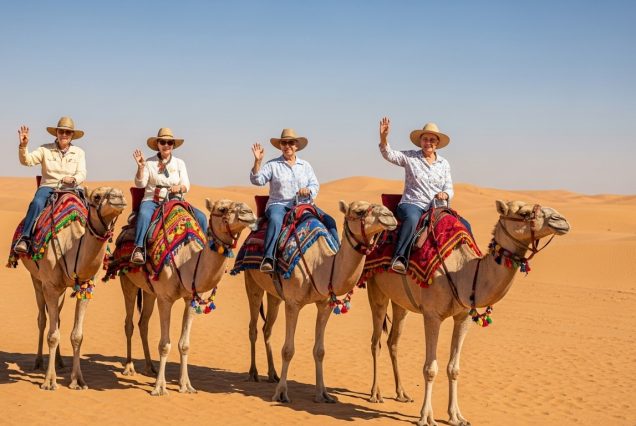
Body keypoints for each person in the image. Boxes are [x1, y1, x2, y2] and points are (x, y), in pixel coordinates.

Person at [250, 128, 338, 273]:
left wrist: (308, 190)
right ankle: (269, 258)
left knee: (330, 221)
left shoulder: (305, 166)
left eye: (291, 142)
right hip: (279, 204)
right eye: (284, 143)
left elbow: (315, 184)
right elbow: (257, 180)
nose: (287, 146)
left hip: (304, 205)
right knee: (275, 220)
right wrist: (257, 162)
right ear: (280, 146)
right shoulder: (273, 165)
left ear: (296, 145)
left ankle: (337, 255)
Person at [379, 117, 454, 274]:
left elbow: (449, 187)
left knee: (460, 224)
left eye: (432, 139)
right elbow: (389, 154)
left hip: (436, 207)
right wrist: (384, 137)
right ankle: (399, 258)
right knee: (412, 219)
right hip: (412, 204)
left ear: (437, 143)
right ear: (420, 141)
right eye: (425, 139)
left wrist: (445, 194)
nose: (428, 142)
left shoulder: (444, 164)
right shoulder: (410, 157)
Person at [130, 127, 208, 264]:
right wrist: (141, 168)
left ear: (173, 145)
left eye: (169, 143)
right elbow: (140, 184)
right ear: (158, 144)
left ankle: (206, 251)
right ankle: (139, 248)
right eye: (163, 142)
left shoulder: (179, 163)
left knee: (201, 217)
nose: (166, 145)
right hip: (153, 201)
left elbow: (186, 185)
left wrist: (179, 187)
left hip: (175, 200)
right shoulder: (149, 162)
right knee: (143, 215)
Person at [14, 117, 87, 254]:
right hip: (49, 187)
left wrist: (73, 179)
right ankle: (25, 238)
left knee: (91, 210)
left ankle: (94, 244)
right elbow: (27, 161)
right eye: (61, 131)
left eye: (67, 132)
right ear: (57, 133)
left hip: (72, 188)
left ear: (72, 135)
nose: (64, 134)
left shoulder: (79, 152)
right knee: (36, 203)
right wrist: (23, 146)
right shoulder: (44, 149)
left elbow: (82, 172)